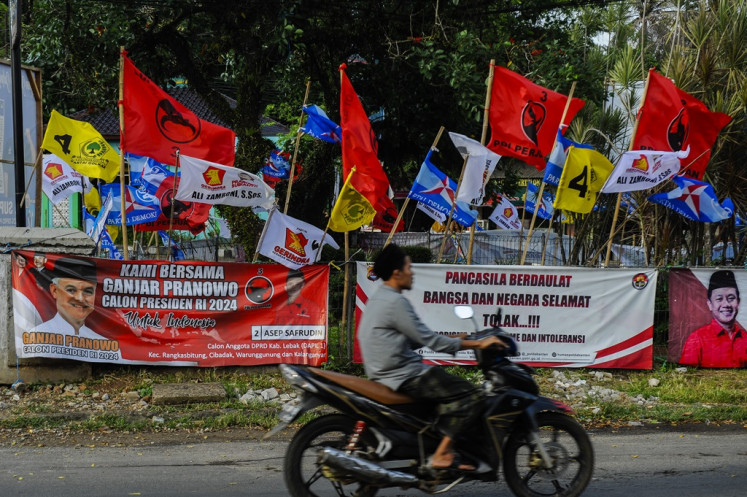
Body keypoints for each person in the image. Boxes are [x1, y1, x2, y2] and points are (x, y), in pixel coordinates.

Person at [357, 244, 505, 471]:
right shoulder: (396, 302)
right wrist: (478, 342)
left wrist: (459, 337)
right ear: (397, 273)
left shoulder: (380, 299)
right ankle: (442, 452)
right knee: (472, 395)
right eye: (408, 266)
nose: (412, 272)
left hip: (386, 372)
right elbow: (432, 342)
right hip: (405, 375)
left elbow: (417, 338)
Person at [31, 257, 113, 342]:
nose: (80, 299)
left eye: (88, 291)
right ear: (54, 290)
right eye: (71, 290)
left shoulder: (104, 346)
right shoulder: (37, 338)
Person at [680, 270, 746, 368]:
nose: (726, 304)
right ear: (710, 304)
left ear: (738, 303)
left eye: (731, 298)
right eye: (719, 299)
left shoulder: (745, 338)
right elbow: (688, 375)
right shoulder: (697, 339)